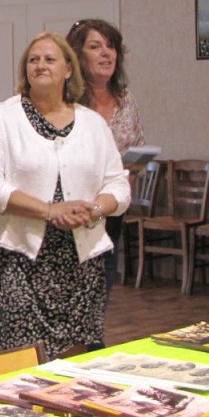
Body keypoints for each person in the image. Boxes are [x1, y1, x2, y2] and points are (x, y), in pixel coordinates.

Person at [0, 32, 130, 357]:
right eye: (33, 59)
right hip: (22, 256)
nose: (40, 65)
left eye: (49, 59)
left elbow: (119, 184)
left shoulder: (92, 123)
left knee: (77, 361)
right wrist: (49, 210)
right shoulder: (2, 117)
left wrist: (95, 208)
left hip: (81, 258)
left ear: (69, 69)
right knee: (24, 359)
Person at [66, 18, 145, 297]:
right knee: (73, 293)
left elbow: (135, 145)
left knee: (101, 288)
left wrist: (132, 171)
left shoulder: (125, 99)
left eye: (111, 47)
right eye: (95, 46)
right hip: (72, 210)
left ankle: (93, 341)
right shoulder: (67, 101)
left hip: (110, 209)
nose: (106, 53)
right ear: (77, 55)